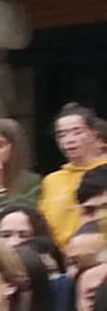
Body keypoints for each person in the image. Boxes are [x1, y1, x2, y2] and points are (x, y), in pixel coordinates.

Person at [40, 103, 107, 245]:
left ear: (94, 133)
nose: (69, 140)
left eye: (77, 132)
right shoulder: (52, 181)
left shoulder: (103, 171)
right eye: (61, 135)